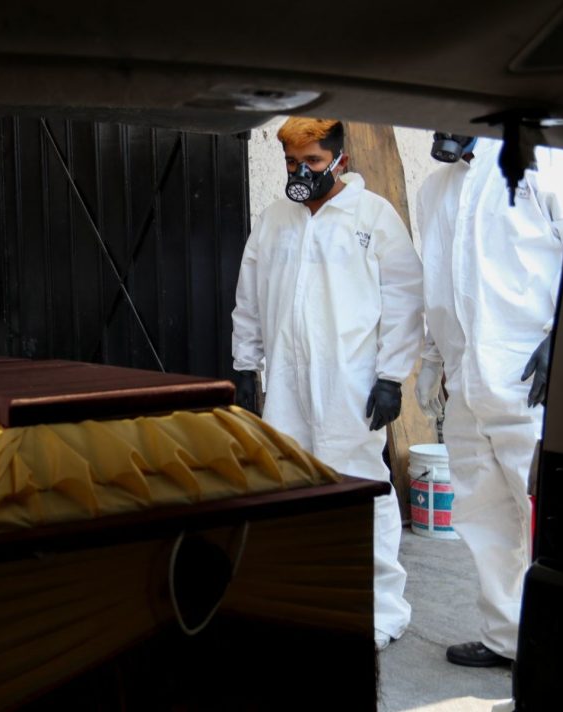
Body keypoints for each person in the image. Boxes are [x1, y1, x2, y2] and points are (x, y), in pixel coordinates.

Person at [232, 117, 423, 650]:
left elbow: (404, 298)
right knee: (291, 489)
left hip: (350, 383)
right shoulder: (275, 219)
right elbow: (249, 295)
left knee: (361, 490)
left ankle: (380, 610)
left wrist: (391, 376)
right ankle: (305, 601)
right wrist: (246, 365)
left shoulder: (372, 216)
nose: (301, 173)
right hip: (287, 383)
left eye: (312, 162)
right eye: (292, 163)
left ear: (340, 160)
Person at [414, 134, 563, 667]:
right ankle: (508, 637)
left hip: (532, 376)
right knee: (484, 514)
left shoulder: (543, 161)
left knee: (545, 516)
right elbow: (438, 283)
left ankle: (561, 644)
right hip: (467, 379)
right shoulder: (434, 189)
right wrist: (432, 359)